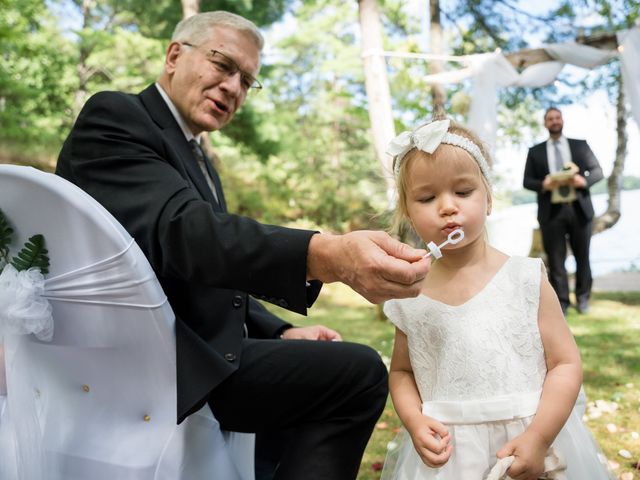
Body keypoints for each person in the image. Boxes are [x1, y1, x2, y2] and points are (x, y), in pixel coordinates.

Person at [55, 11, 432, 480]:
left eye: (247, 80)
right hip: (149, 362)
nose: (234, 87)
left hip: (190, 351)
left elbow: (207, 271)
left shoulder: (200, 156)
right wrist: (328, 254)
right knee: (358, 375)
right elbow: (186, 234)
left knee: (319, 369)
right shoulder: (117, 116)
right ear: (174, 55)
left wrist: (277, 331)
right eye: (223, 64)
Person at [379, 118, 613, 479]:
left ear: (487, 198)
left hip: (529, 442)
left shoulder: (524, 278)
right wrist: (414, 419)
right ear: (409, 211)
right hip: (451, 458)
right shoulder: (410, 293)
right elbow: (403, 371)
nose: (447, 207)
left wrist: (538, 437)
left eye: (462, 192)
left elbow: (565, 364)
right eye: (427, 198)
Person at [523, 107, 603, 315]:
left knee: (582, 257)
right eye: (550, 118)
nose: (554, 121)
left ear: (563, 120)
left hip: (579, 210)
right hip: (551, 214)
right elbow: (527, 181)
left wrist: (582, 180)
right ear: (545, 123)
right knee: (556, 261)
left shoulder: (580, 146)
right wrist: (544, 184)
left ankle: (583, 299)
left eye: (557, 117)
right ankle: (562, 304)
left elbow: (598, 171)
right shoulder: (535, 151)